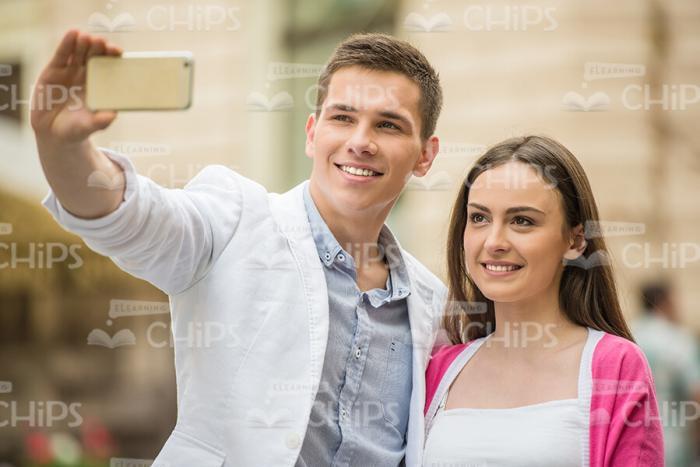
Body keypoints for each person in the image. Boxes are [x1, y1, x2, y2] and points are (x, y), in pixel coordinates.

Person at [32, 30, 448, 466]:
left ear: (425, 155)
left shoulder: (430, 301)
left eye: (388, 124)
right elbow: (131, 217)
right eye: (342, 118)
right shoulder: (235, 218)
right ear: (311, 133)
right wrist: (64, 147)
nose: (360, 141)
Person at [423, 136, 664, 466]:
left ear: (575, 240)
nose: (494, 242)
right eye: (479, 218)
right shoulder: (438, 369)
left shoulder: (616, 366)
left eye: (522, 221)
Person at [632, 281, 700, 467]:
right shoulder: (678, 339)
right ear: (665, 302)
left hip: (632, 444)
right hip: (674, 445)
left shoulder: (626, 336)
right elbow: (696, 392)